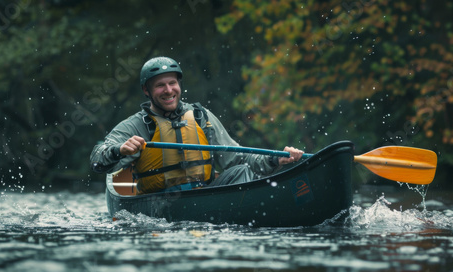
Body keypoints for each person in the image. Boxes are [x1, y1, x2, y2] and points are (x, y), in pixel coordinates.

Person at [90, 56, 304, 194]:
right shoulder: (135, 125)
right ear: (147, 91)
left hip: (204, 194)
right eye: (160, 86)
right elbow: (97, 160)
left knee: (242, 171)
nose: (168, 90)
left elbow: (238, 156)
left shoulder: (201, 116)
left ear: (179, 84)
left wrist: (275, 157)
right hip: (160, 202)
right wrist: (118, 150)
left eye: (172, 83)